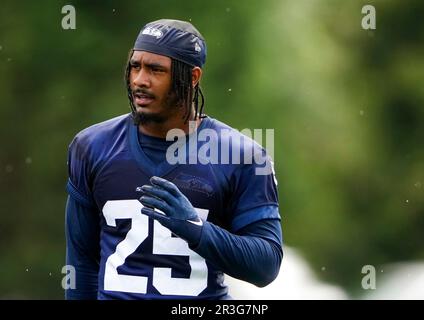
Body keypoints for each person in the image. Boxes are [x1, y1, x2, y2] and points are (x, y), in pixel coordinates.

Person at [65, 18, 283, 300]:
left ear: (192, 78)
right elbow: (81, 264)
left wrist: (198, 231)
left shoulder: (243, 156)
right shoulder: (92, 147)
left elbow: (266, 266)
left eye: (156, 70)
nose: (139, 80)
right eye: (135, 66)